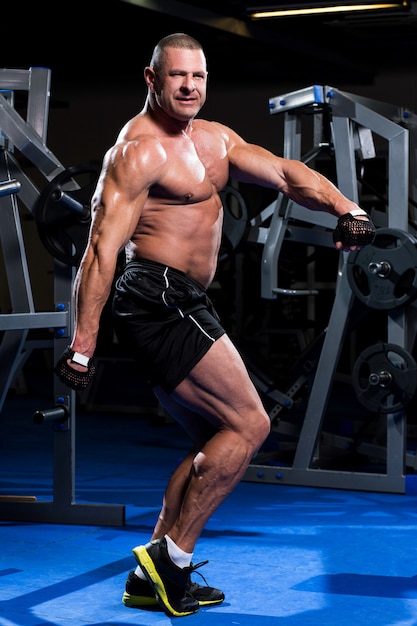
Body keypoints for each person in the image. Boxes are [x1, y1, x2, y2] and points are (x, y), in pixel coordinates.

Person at [55, 33, 376, 617]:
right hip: (156, 297)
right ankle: (171, 559)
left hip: (184, 300)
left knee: (215, 441)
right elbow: (101, 249)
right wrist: (82, 346)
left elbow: (284, 174)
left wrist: (345, 208)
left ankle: (152, 577)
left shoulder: (216, 140)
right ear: (151, 80)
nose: (189, 87)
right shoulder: (138, 151)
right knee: (250, 425)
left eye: (198, 77)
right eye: (176, 77)